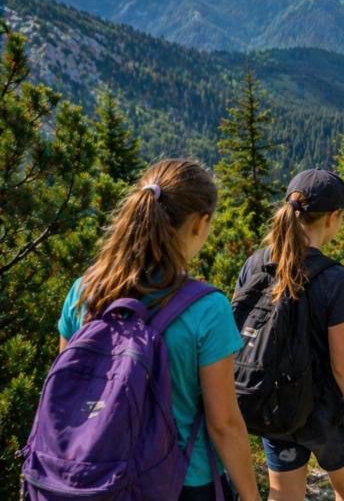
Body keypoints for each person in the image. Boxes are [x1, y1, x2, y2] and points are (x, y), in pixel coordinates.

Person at [57, 159, 259, 501]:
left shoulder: (84, 291)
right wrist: (252, 497)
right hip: (184, 480)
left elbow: (68, 387)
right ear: (201, 223)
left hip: (97, 472)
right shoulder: (207, 308)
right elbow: (223, 424)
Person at [237, 169, 344, 501]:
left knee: (284, 496)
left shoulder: (255, 264)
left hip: (273, 406)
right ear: (332, 218)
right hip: (325, 417)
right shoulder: (335, 278)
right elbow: (343, 366)